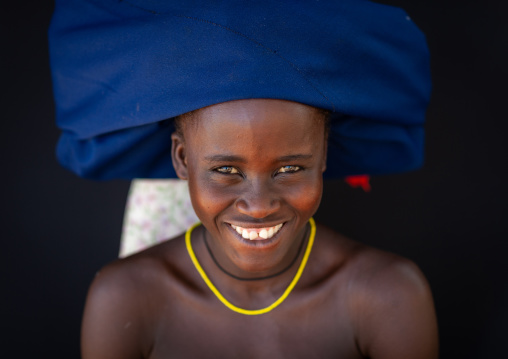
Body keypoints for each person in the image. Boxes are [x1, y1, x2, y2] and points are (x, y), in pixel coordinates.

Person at [49, 1, 438, 358]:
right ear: (182, 160)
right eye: (226, 171)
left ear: (324, 156)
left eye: (289, 169)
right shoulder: (126, 299)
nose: (259, 205)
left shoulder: (388, 297)